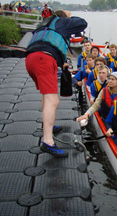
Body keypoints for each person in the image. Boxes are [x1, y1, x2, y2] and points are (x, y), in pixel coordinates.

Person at [25, 10, 87, 157]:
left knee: (47, 97)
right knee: (53, 100)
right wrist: (69, 17)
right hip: (44, 60)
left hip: (31, 59)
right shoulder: (62, 22)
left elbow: (48, 43)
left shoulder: (45, 25)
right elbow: (83, 23)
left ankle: (49, 126)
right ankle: (48, 142)